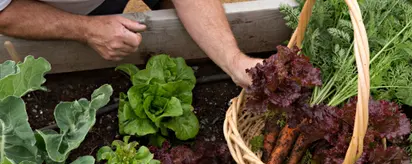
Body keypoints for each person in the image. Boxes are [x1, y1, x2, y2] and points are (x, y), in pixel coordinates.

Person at [0, 0, 261, 87]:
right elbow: (4, 13)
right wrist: (86, 29)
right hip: (48, 9)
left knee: (180, 34)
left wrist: (234, 60)